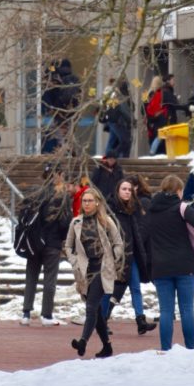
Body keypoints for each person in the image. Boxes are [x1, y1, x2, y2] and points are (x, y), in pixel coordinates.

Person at [147, 175, 194, 350]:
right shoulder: (181, 207)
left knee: (166, 311)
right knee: (187, 309)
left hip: (160, 266)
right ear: (178, 191)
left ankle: (165, 349)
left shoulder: (152, 210)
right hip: (184, 265)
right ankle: (190, 347)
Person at [64, 186, 124, 358]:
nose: (87, 204)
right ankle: (107, 346)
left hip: (102, 269)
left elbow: (118, 243)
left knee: (91, 306)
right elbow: (68, 245)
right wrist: (73, 260)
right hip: (85, 271)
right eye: (84, 201)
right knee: (96, 311)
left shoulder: (107, 221)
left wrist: (113, 256)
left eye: (90, 201)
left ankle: (82, 341)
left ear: (97, 202)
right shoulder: (76, 223)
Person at [19, 164, 74, 326]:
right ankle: (46, 315)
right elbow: (65, 222)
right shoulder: (61, 196)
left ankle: (26, 313)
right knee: (50, 279)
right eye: (62, 174)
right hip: (52, 242)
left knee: (31, 277)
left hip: (34, 242)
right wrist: (62, 238)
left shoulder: (34, 193)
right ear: (58, 175)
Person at [105, 178, 155, 335]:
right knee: (111, 290)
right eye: (124, 189)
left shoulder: (134, 208)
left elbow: (137, 232)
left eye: (129, 189)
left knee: (136, 288)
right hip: (116, 256)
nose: (127, 192)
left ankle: (140, 320)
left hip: (132, 255)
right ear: (118, 191)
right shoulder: (110, 208)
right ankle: (102, 319)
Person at [41, 59, 81, 154]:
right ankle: (68, 151)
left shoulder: (54, 78)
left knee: (60, 135)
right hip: (71, 111)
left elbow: (48, 94)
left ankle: (63, 151)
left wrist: (50, 108)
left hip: (58, 111)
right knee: (67, 134)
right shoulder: (74, 79)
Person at [101, 78, 133, 158]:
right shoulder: (116, 93)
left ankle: (109, 156)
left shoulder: (109, 93)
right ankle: (111, 156)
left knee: (113, 140)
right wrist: (130, 119)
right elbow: (123, 108)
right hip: (118, 120)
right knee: (124, 141)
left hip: (112, 119)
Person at [144, 76, 166, 154]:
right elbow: (155, 106)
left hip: (150, 119)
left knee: (155, 136)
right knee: (159, 136)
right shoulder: (157, 93)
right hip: (157, 118)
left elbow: (144, 107)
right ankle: (152, 152)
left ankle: (153, 151)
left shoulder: (148, 93)